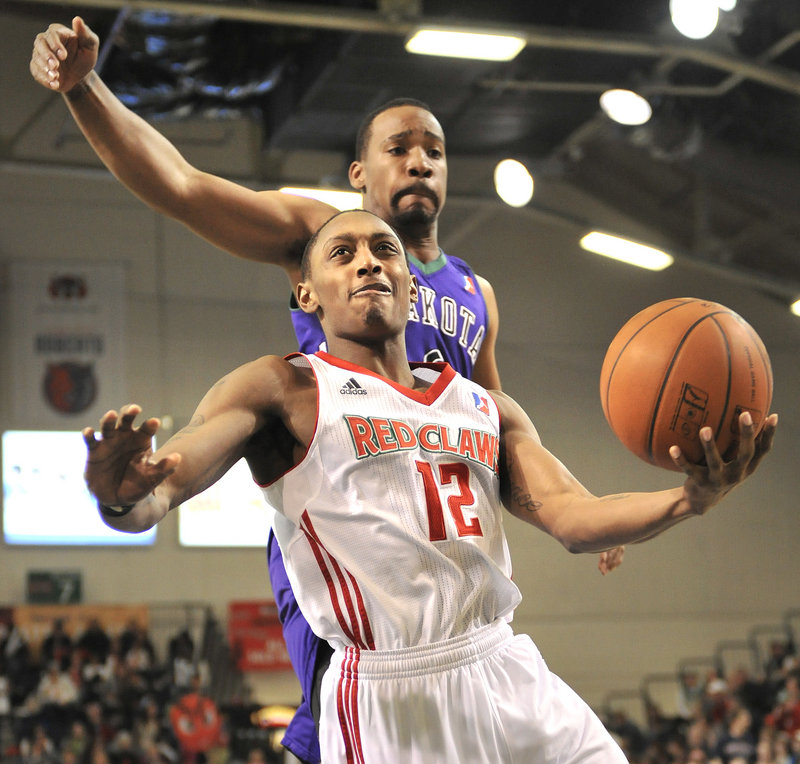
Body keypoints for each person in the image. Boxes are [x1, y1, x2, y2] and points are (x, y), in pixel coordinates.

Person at [31, 18, 625, 762]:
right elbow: (183, 187)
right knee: (344, 710)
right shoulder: (323, 236)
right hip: (342, 515)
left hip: (437, 537)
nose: (418, 163)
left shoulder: (477, 292)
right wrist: (84, 89)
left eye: (434, 152)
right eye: (398, 149)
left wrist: (586, 508)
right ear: (358, 179)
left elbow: (503, 435)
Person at [82, 209, 776, 764]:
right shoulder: (283, 387)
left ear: (411, 283)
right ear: (306, 293)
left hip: (503, 663)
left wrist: (689, 500)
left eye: (384, 250)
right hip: (392, 697)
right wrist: (123, 494)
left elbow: (572, 516)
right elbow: (157, 493)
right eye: (342, 253)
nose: (367, 262)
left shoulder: (483, 405)